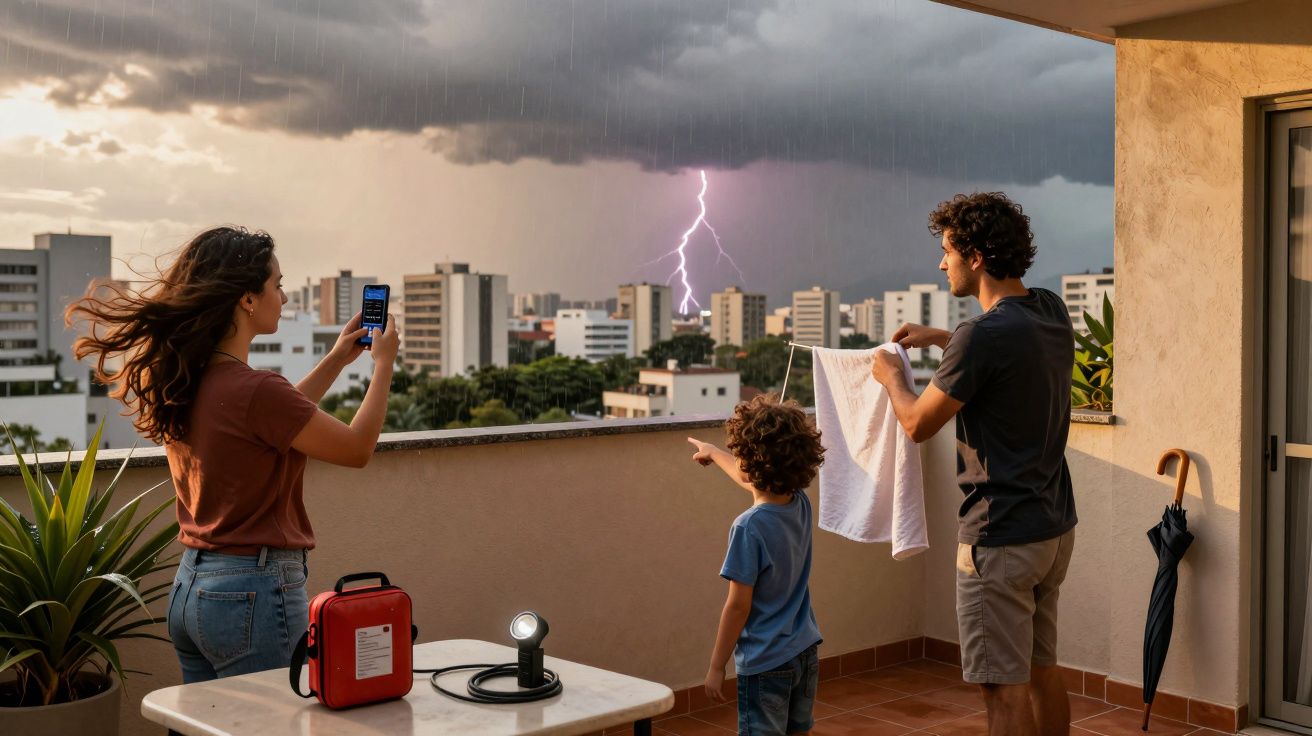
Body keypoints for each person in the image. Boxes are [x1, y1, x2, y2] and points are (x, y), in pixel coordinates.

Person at [67, 226, 400, 682]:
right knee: (278, 726)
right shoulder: (255, 390)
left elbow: (279, 421)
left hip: (192, 590)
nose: (283, 298)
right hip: (253, 591)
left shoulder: (189, 381)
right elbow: (358, 449)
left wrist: (337, 360)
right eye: (277, 286)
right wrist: (383, 364)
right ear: (247, 298)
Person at [870, 192, 1078, 736]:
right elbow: (1005, 354)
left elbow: (917, 425)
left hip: (1000, 539)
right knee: (1041, 672)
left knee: (1002, 692)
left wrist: (891, 378)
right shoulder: (1050, 309)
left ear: (976, 256)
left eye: (947, 251)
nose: (943, 264)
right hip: (1052, 529)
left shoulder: (980, 337)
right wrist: (941, 338)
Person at [687, 394, 826, 736]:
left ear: (748, 463)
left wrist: (716, 665)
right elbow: (749, 477)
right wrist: (714, 452)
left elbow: (737, 606)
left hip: (765, 664)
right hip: (804, 652)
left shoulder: (748, 527)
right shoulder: (800, 503)